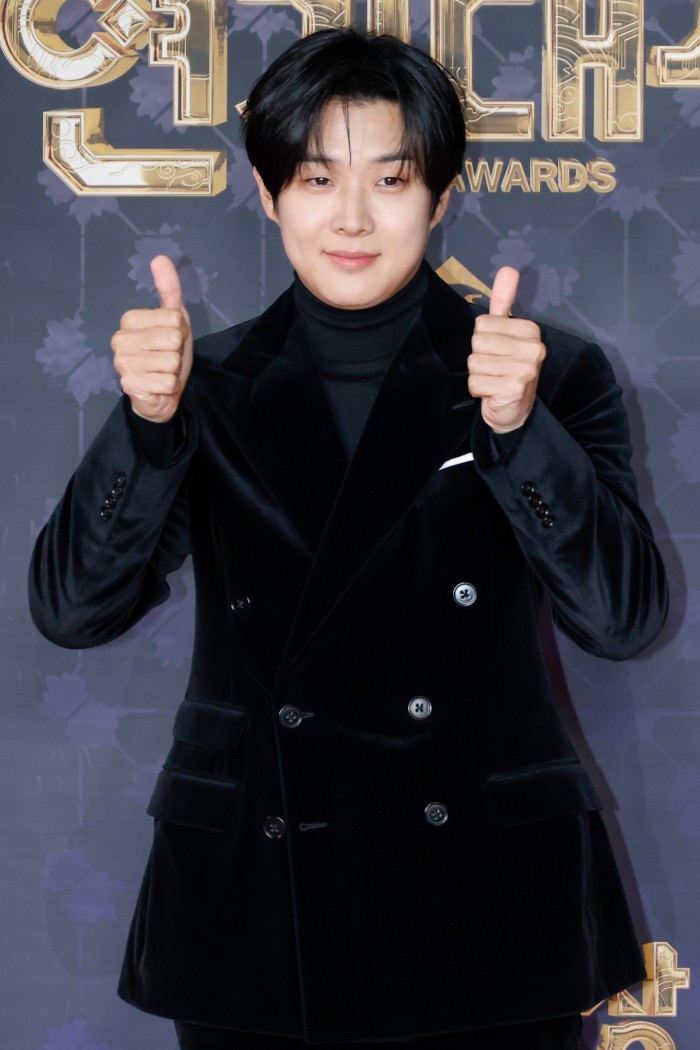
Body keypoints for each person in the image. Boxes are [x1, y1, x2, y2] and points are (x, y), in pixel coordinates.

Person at [29, 27, 668, 1050]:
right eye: (319, 179)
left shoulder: (544, 374)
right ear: (268, 191)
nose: (355, 218)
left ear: (441, 194)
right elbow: (72, 610)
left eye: (393, 178)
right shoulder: (203, 385)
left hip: (486, 905)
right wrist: (146, 425)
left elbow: (624, 619)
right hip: (261, 907)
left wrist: (518, 434)